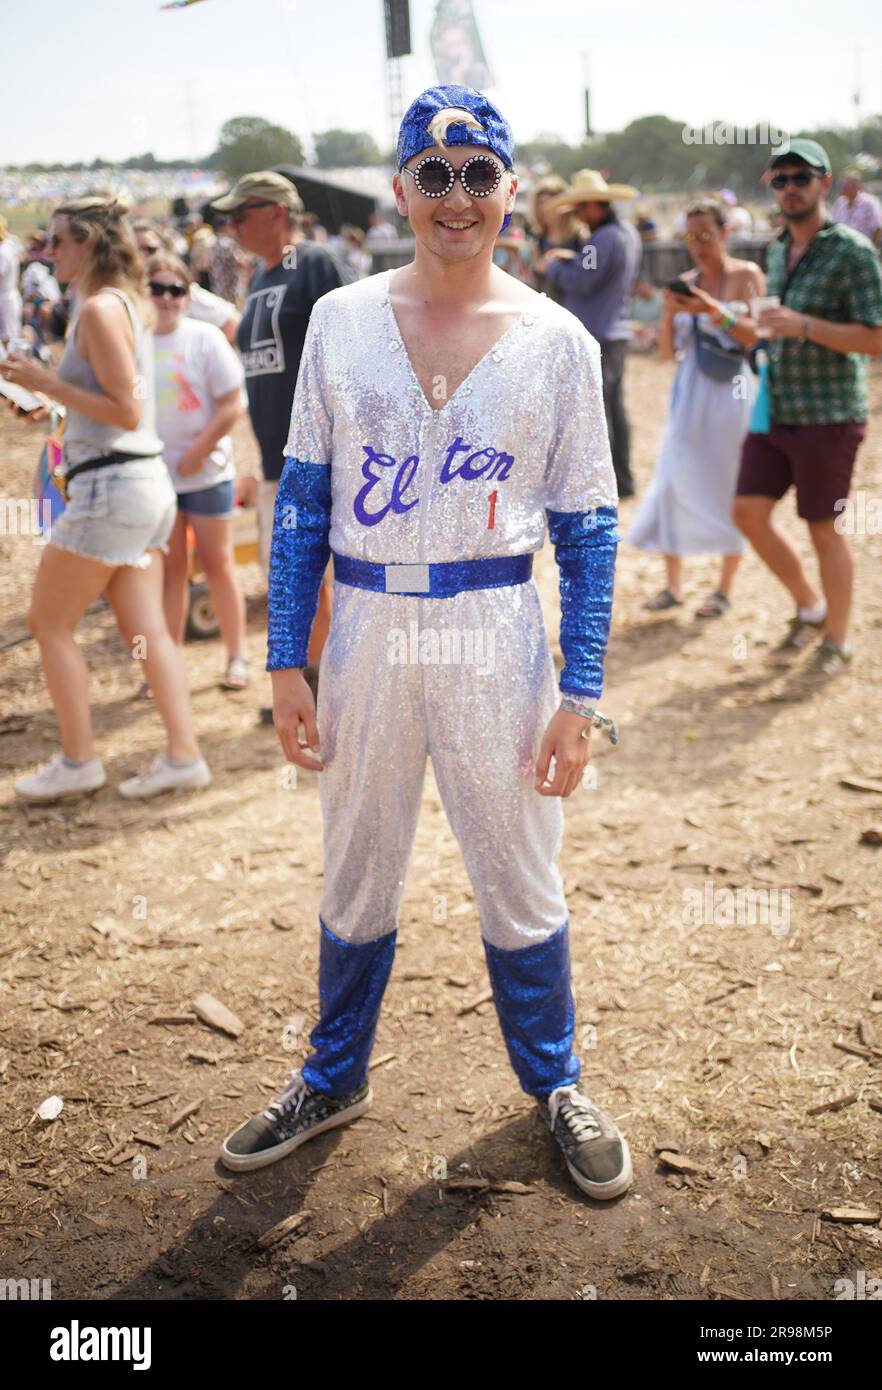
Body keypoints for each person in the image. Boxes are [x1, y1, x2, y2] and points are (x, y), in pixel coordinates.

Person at [220, 85, 632, 1203]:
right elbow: (303, 497)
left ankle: (556, 1083)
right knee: (356, 863)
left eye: (478, 174)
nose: (457, 197)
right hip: (367, 624)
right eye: (433, 175)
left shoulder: (554, 339)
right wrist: (284, 659)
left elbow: (590, 527)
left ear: (510, 187)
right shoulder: (344, 321)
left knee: (520, 864)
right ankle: (332, 1074)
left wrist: (580, 687)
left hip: (497, 624)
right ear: (402, 186)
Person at [0, 195, 212, 801]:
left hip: (112, 487)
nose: (48, 249)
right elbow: (117, 404)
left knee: (48, 622)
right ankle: (181, 756)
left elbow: (125, 408)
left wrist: (46, 382)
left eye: (59, 239)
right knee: (147, 630)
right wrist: (49, 397)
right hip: (139, 484)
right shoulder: (123, 304)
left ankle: (79, 760)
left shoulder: (96, 309)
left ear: (89, 242)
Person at [733, 140, 882, 679]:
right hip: (777, 407)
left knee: (824, 527)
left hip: (830, 413)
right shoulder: (776, 250)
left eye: (801, 177)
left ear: (824, 182)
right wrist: (744, 331)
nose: (790, 188)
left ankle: (837, 643)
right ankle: (811, 606)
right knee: (747, 512)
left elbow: (876, 339)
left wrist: (804, 327)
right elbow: (775, 328)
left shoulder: (852, 251)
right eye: (781, 179)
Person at [210, 171, 356, 710]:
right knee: (295, 574)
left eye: (238, 215)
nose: (230, 227)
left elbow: (357, 343)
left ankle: (339, 679)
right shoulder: (258, 278)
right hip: (280, 456)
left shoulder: (315, 264)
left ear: (275, 213)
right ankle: (319, 674)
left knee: (326, 574)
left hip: (325, 453)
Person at [629, 199, 765, 615]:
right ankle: (673, 586)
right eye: (691, 236)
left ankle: (724, 588)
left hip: (734, 392)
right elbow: (668, 354)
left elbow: (756, 336)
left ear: (725, 233)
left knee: (730, 481)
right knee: (672, 478)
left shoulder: (747, 276)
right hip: (690, 390)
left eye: (706, 234)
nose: (699, 244)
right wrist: (671, 314)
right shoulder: (684, 280)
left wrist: (710, 308)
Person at [147, 251, 250, 690]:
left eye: (177, 290)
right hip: (157, 479)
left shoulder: (204, 338)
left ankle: (237, 657)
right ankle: (165, 667)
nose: (167, 298)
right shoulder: (135, 342)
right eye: (158, 289)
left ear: (189, 295)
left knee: (218, 564)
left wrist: (198, 449)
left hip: (207, 474)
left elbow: (233, 403)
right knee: (170, 571)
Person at [537, 170, 642, 497]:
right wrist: (574, 258)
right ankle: (623, 479)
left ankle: (608, 482)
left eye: (581, 208)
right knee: (615, 407)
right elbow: (592, 268)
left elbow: (584, 280)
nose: (579, 216)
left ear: (595, 206)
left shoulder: (603, 238)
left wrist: (551, 267)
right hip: (616, 330)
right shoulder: (627, 233)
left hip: (599, 331)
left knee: (601, 410)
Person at [133, 221, 241, 345]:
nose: (142, 256)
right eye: (136, 250)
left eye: (150, 249)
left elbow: (232, 323)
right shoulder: (116, 294)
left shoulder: (177, 289)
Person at [831, 169, 882, 249]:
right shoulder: (840, 203)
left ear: (857, 186)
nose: (844, 187)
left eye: (847, 184)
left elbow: (878, 228)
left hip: (863, 251)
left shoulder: (869, 203)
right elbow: (833, 226)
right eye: (843, 183)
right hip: (843, 250)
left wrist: (871, 249)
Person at [0, 215, 23, 345]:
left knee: (8, 337)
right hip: (5, 296)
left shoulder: (3, 251)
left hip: (6, 298)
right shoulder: (6, 248)